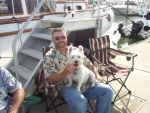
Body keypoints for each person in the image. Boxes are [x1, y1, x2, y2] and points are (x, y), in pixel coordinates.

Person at [43, 28, 113, 113]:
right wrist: (65, 72)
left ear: (66, 38)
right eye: (57, 38)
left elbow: (89, 64)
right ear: (52, 39)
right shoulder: (49, 56)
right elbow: (50, 79)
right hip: (65, 87)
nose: (61, 40)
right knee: (79, 101)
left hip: (85, 82)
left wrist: (97, 75)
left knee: (107, 91)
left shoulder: (76, 50)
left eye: (63, 37)